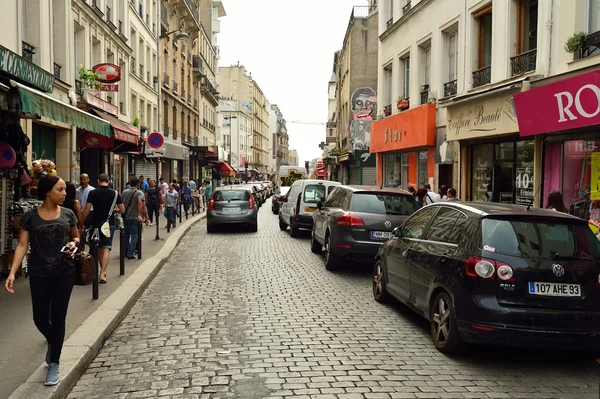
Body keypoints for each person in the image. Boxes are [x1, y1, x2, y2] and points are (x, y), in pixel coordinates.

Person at [4, 176, 79, 386]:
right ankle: (54, 341)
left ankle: (54, 361)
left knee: (59, 318)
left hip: (65, 273)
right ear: (48, 191)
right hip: (38, 273)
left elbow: (76, 236)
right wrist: (12, 272)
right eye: (60, 189)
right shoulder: (30, 217)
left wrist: (74, 244)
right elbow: (21, 245)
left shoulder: (68, 214)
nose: (65, 193)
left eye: (64, 190)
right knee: (39, 318)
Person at [83, 174, 125, 284]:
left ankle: (102, 271)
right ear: (109, 181)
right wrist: (114, 212)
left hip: (96, 224)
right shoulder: (115, 193)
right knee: (106, 248)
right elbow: (122, 209)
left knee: (98, 247)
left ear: (98, 181)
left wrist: (81, 222)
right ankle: (103, 272)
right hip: (108, 224)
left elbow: (87, 210)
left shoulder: (93, 193)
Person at [122, 178, 147, 260]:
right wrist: (140, 215)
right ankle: (130, 253)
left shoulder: (124, 192)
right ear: (138, 184)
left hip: (126, 217)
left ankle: (125, 252)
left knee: (126, 234)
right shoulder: (139, 192)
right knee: (134, 235)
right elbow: (140, 203)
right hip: (134, 217)